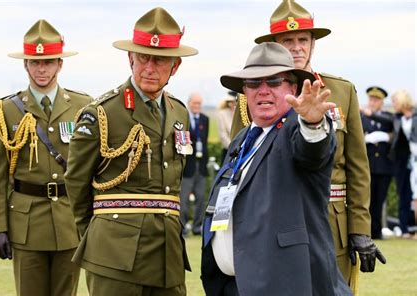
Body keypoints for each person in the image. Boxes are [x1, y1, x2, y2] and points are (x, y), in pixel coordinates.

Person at [229, 0, 385, 288]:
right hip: (272, 221)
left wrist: (360, 228)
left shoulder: (340, 90)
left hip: (331, 218)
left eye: (303, 39)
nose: (296, 47)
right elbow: (239, 167)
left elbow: (358, 167)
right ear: (275, 45)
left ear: (313, 44)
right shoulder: (251, 95)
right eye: (287, 40)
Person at [201, 42, 352, 295]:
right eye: (253, 83)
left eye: (273, 82)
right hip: (236, 284)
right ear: (244, 92)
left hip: (285, 284)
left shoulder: (295, 128)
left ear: (292, 88)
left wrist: (312, 123)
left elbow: (313, 151)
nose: (263, 91)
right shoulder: (243, 138)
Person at [65, 7, 198, 295]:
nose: (150, 68)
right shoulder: (101, 112)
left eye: (160, 61)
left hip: (168, 252)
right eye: (143, 58)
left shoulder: (179, 113)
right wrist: (97, 235)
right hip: (114, 253)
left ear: (175, 66)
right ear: (130, 59)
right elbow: (76, 182)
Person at [0, 19, 92, 296]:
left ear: (60, 64)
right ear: (25, 65)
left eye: (48, 62)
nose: (41, 69)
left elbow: (95, 168)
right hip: (26, 224)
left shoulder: (83, 106)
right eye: (35, 62)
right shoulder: (7, 110)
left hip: (70, 221)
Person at [360, 87, 394, 240]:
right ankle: (366, 231)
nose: (373, 102)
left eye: (376, 100)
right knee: (367, 199)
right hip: (368, 164)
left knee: (380, 200)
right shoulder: (363, 117)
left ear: (381, 102)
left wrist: (372, 114)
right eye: (371, 99)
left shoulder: (387, 116)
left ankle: (377, 230)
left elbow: (391, 122)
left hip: (384, 166)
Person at [180, 93, 209, 236]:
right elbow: (181, 144)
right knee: (183, 199)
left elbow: (204, 142)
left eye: (199, 104)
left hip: (201, 166)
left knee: (201, 198)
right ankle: (183, 227)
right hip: (187, 167)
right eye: (195, 103)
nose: (197, 106)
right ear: (189, 103)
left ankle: (197, 227)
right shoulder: (183, 119)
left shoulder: (205, 119)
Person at [390, 89, 417, 239]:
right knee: (404, 195)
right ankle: (405, 228)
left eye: (395, 101)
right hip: (403, 162)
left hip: (415, 159)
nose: (393, 105)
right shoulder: (397, 118)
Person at [217, 92, 236, 164]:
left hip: (242, 150)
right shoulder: (222, 114)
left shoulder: (242, 113)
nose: (232, 104)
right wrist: (234, 148)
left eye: (233, 102)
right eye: (230, 102)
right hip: (228, 150)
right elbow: (223, 135)